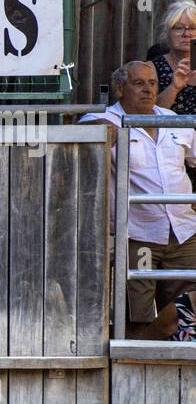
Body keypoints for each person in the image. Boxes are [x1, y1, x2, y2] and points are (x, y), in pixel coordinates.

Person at [80, 60, 196, 339]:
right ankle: (136, 368)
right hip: (138, 234)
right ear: (120, 88)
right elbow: (86, 135)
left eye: (153, 83)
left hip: (184, 231)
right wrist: (110, 127)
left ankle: (174, 367)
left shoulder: (173, 120)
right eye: (138, 83)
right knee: (136, 313)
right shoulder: (107, 120)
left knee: (187, 309)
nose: (148, 89)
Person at [152, 0, 196, 114]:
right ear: (167, 33)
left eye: (192, 28)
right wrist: (174, 87)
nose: (186, 34)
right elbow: (149, 116)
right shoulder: (151, 68)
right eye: (178, 28)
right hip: (169, 132)